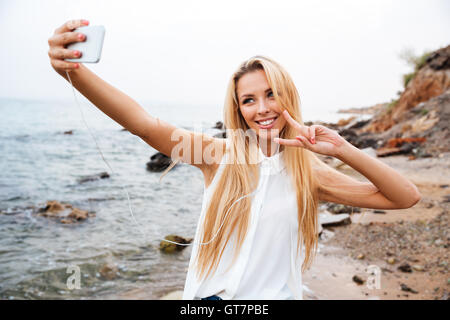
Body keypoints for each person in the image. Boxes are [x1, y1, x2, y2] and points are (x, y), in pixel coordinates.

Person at [48, 19, 422, 300]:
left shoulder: (311, 172)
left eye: (272, 94)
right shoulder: (217, 155)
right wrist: (72, 72)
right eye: (249, 100)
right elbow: (144, 124)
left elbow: (405, 197)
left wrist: (343, 149)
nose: (263, 109)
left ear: (288, 97)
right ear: (238, 109)